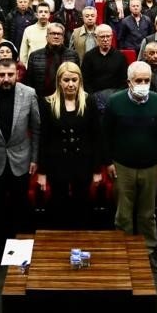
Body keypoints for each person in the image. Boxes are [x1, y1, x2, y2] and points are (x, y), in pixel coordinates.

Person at [0, 59, 41, 281]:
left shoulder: (29, 93)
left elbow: (36, 129)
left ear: (17, 74)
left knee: (20, 208)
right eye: (1, 75)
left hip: (20, 159)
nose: (6, 79)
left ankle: (20, 258)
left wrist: (34, 158)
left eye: (10, 74)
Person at [103, 61, 157, 274]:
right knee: (123, 213)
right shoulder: (115, 102)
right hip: (122, 166)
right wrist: (108, 162)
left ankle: (148, 250)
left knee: (148, 213)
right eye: (138, 80)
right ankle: (124, 250)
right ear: (129, 82)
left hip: (150, 166)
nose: (142, 84)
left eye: (146, 80)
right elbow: (106, 135)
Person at [38, 62, 104, 229]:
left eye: (74, 80)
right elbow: (43, 139)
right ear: (59, 81)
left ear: (80, 81)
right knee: (58, 204)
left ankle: (80, 240)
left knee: (81, 204)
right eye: (66, 80)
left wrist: (97, 170)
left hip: (83, 163)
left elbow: (96, 137)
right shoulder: (47, 103)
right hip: (57, 163)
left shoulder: (89, 101)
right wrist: (42, 172)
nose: (70, 84)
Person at [25, 22, 79, 99]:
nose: (56, 36)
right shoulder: (35, 56)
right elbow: (29, 82)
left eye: (59, 34)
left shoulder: (73, 55)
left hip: (66, 99)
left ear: (63, 38)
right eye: (53, 33)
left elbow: (78, 79)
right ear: (47, 37)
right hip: (41, 99)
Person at [80, 24, 128, 101]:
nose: (105, 39)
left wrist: (117, 96)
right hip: (94, 97)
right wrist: (93, 97)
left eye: (108, 36)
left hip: (115, 97)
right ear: (96, 37)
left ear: (112, 37)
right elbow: (85, 80)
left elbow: (124, 81)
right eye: (102, 37)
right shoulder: (88, 56)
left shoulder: (120, 56)